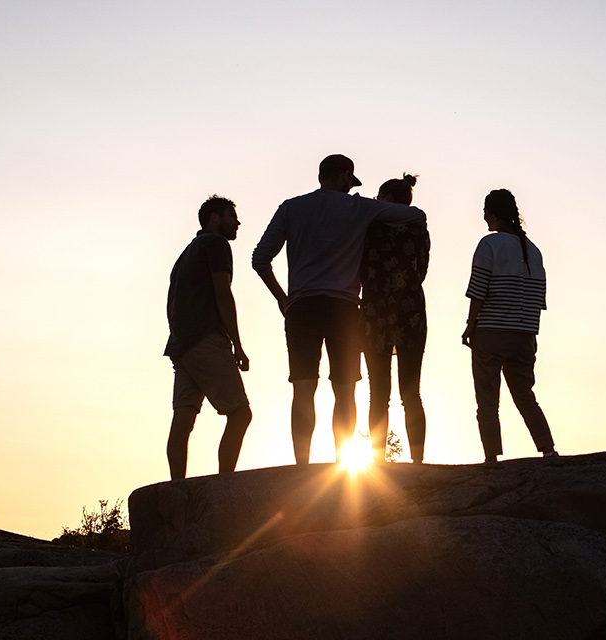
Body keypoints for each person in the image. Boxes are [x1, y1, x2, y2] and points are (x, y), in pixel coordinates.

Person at [252, 155, 427, 464]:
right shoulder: (359, 208)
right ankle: (339, 462)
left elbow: (260, 258)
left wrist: (282, 298)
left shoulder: (291, 208)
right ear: (345, 176)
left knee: (303, 389)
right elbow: (415, 215)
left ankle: (302, 465)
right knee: (345, 392)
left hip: (301, 306)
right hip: (344, 309)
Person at [462, 189, 557, 465]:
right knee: (525, 396)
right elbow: (538, 299)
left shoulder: (489, 245)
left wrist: (471, 325)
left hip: (490, 332)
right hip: (525, 335)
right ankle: (548, 450)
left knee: (488, 400)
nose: (483, 218)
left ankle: (492, 459)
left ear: (492, 213)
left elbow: (478, 289)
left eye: (485, 212)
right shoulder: (534, 251)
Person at [163, 195, 252, 481]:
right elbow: (223, 293)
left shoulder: (185, 254)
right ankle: (224, 486)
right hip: (206, 339)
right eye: (231, 216)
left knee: (184, 417)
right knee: (240, 414)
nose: (237, 222)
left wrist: (179, 341)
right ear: (214, 218)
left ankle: (177, 487)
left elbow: (170, 301)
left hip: (182, 345)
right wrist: (237, 344)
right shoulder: (216, 245)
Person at [360, 174, 431, 463]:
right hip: (411, 309)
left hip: (375, 311)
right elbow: (422, 269)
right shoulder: (418, 229)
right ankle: (418, 461)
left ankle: (378, 460)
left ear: (388, 199)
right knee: (411, 392)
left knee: (378, 394)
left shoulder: (369, 229)